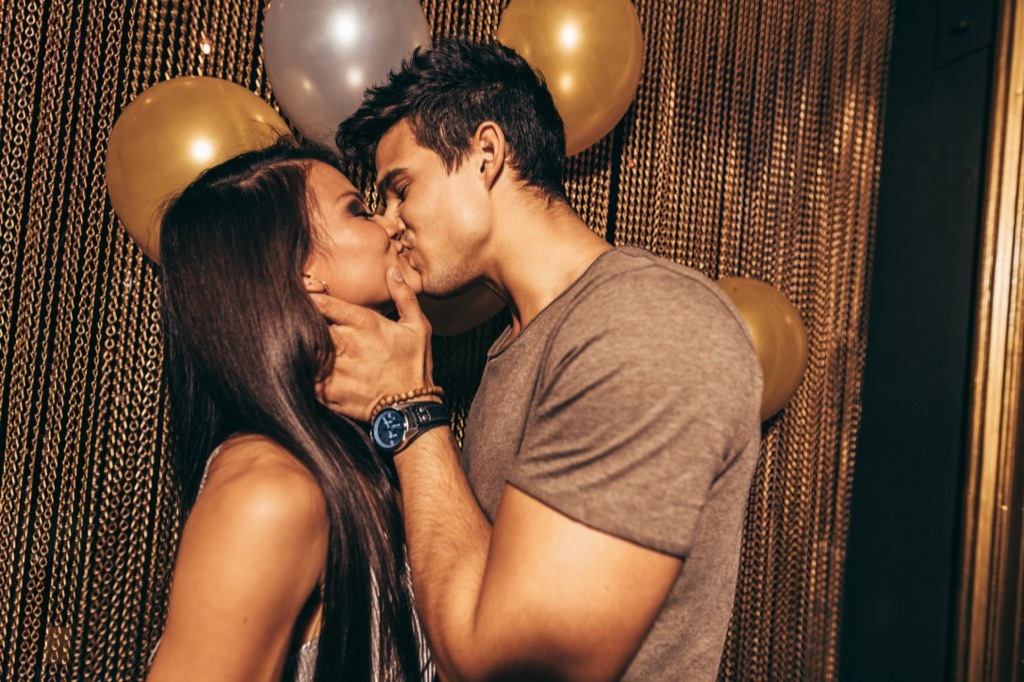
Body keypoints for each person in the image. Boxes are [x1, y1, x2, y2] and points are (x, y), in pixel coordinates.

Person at [314, 38, 764, 681]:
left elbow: (507, 666)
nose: (389, 223)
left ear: (486, 154)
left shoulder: (644, 323)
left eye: (400, 189)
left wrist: (410, 413)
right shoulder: (516, 343)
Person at [147, 138, 432, 682]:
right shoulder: (270, 491)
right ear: (302, 271)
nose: (392, 225)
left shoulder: (350, 452)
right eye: (359, 209)